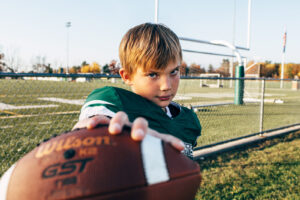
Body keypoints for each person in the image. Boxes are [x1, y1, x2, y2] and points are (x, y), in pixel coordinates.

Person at [73, 23, 201, 158]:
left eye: (174, 71)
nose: (166, 86)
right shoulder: (116, 103)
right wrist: (92, 130)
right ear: (127, 76)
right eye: (153, 74)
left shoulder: (189, 120)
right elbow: (94, 124)